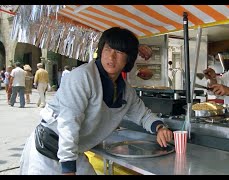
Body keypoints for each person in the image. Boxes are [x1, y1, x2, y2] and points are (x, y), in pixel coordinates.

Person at [20, 27, 173, 175]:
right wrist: (68, 169)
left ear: (128, 59)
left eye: (119, 52)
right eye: (108, 49)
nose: (111, 57)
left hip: (74, 152)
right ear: (100, 51)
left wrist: (160, 127)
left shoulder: (125, 90)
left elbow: (143, 115)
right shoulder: (82, 77)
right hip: (47, 151)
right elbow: (69, 123)